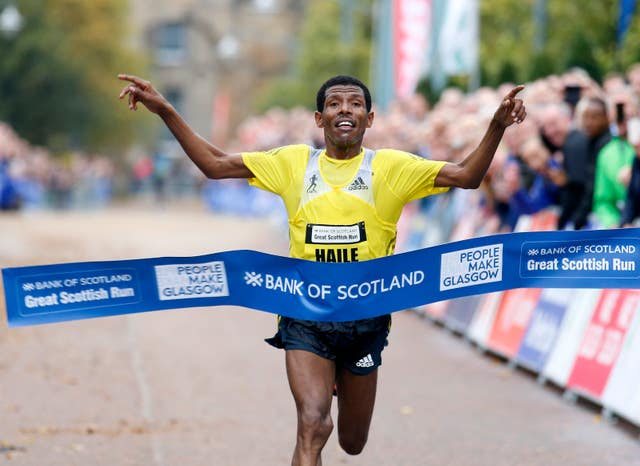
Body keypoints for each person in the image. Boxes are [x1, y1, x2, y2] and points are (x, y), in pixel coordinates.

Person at [118, 73, 526, 466]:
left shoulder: (392, 168)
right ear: (319, 119)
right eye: (334, 104)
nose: (344, 110)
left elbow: (467, 176)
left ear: (370, 118)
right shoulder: (293, 163)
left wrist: (495, 126)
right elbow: (215, 163)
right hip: (304, 315)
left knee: (352, 442)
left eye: (355, 103)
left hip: (364, 318)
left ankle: (339, 381)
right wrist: (166, 110)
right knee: (313, 425)